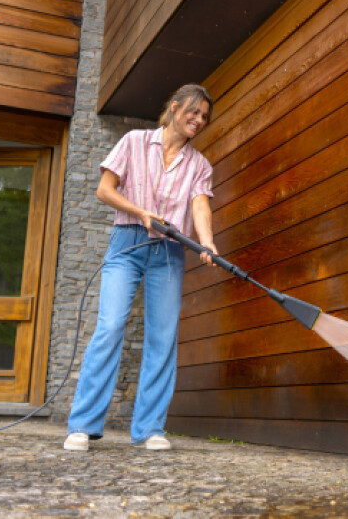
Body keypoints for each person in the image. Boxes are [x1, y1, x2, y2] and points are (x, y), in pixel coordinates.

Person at [64, 84, 216, 451]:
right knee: (111, 324)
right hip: (128, 240)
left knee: (162, 337)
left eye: (204, 117)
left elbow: (199, 206)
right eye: (194, 112)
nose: (198, 120)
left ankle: (149, 428)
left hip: (170, 249)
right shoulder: (134, 141)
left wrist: (207, 240)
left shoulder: (199, 164)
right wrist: (140, 211)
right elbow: (104, 190)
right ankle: (82, 425)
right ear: (175, 106)